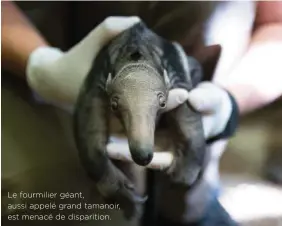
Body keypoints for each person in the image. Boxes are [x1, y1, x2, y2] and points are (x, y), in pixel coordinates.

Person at [2, 1, 282, 226]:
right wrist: (40, 66)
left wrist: (229, 100)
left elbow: (276, 22)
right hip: (24, 76)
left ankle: (185, 200)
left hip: (188, 178)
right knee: (48, 198)